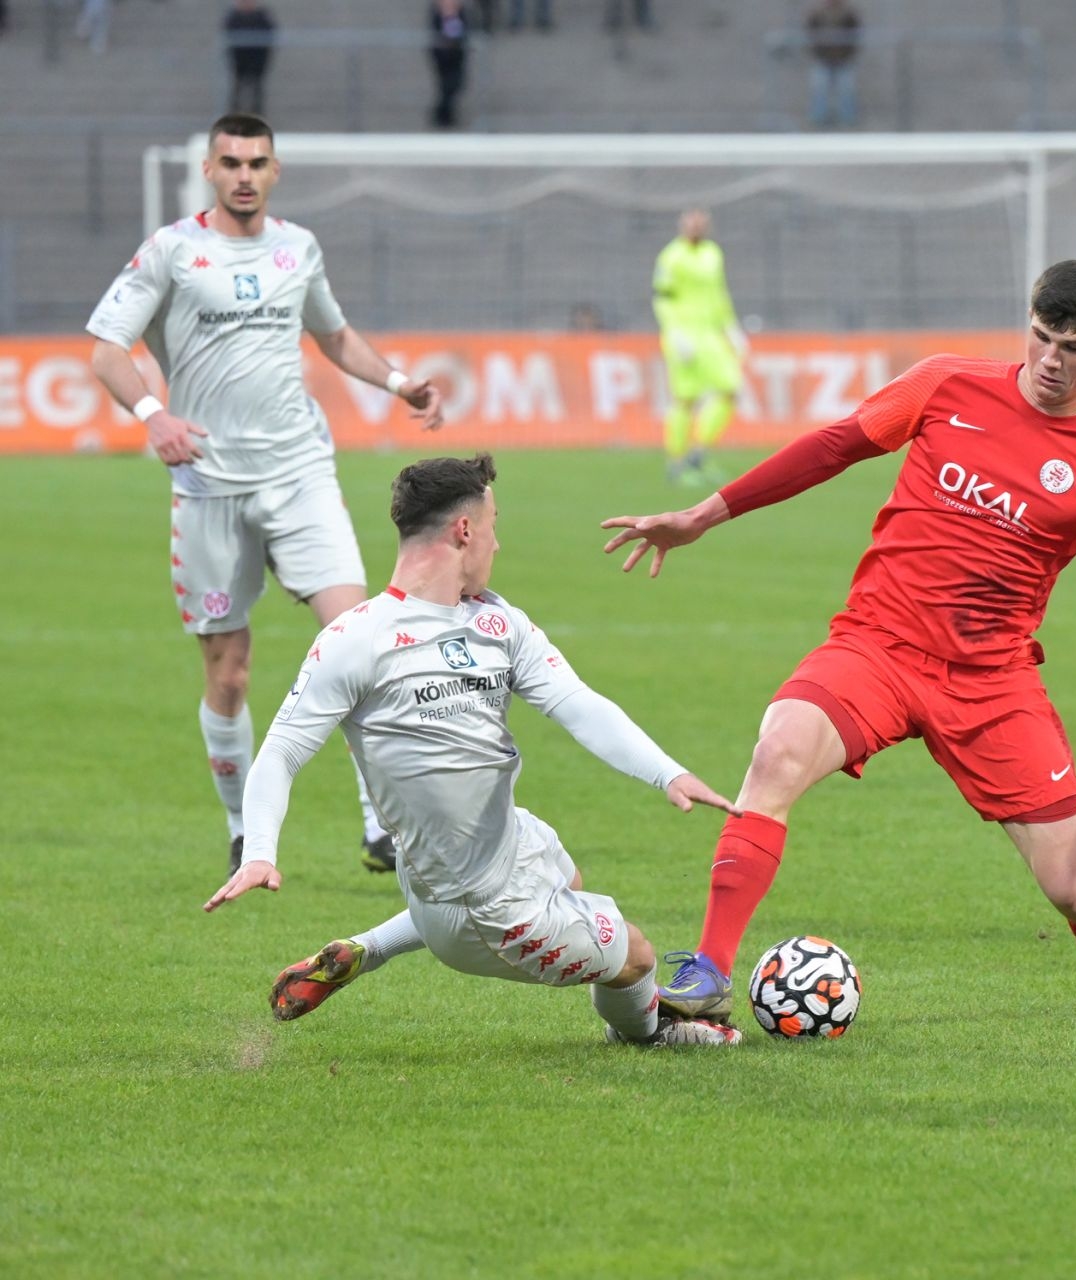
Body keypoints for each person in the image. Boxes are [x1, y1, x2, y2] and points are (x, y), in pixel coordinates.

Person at [601, 260, 1076, 1026]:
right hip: (877, 645)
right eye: (1041, 337)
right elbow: (833, 446)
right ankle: (708, 970)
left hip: (991, 680)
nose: (1050, 360)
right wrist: (703, 515)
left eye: (1073, 349)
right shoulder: (947, 385)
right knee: (776, 755)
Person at [203, 455, 742, 1049]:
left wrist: (667, 772)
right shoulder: (358, 641)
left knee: (568, 878)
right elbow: (280, 752)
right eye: (492, 524)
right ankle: (648, 1035)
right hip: (490, 915)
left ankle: (371, 947)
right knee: (636, 956)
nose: (497, 542)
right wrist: (258, 851)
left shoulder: (495, 622)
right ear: (464, 531)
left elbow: (576, 702)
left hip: (476, 853)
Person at [86, 113, 445, 879]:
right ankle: (243, 830)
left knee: (359, 641)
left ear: (274, 171)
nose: (245, 174)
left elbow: (334, 334)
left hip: (299, 474)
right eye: (231, 162)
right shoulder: (172, 251)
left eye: (258, 161)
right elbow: (106, 351)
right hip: (210, 485)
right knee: (231, 673)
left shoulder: (298, 248)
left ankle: (379, 825)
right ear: (210, 172)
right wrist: (154, 416)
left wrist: (396, 381)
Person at [652, 209, 748, 487]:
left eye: (700, 223)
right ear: (682, 226)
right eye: (691, 223)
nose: (696, 228)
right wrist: (674, 332)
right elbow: (662, 299)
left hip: (710, 335)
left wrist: (731, 327)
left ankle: (698, 454)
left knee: (730, 389)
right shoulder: (671, 257)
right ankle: (677, 463)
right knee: (686, 399)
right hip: (683, 335)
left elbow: (719, 293)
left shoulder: (713, 253)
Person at [805, 0, 861, 127]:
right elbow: (810, 34)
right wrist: (818, 52)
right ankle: (818, 120)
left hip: (843, 59)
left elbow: (855, 34)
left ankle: (848, 121)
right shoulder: (817, 14)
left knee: (846, 89)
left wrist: (846, 53)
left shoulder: (848, 14)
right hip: (823, 60)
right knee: (819, 89)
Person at [223, 0, 277, 115]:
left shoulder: (262, 16)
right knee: (238, 87)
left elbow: (269, 33)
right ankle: (234, 113)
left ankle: (257, 114)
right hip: (239, 60)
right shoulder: (234, 17)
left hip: (257, 59)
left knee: (257, 89)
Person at [428, 0, 472, 129]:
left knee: (457, 83)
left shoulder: (461, 14)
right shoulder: (437, 15)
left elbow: (466, 30)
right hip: (442, 56)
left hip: (457, 55)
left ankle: (444, 113)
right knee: (446, 85)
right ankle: (443, 114)